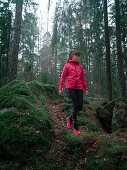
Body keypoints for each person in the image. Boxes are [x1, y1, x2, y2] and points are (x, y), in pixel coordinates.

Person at [58, 50, 88, 135]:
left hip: (79, 88)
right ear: (72, 55)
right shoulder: (67, 66)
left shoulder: (80, 67)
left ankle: (70, 119)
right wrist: (60, 88)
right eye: (76, 55)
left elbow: (82, 79)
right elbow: (63, 78)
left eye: (78, 55)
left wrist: (85, 88)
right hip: (70, 88)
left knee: (80, 107)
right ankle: (75, 127)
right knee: (75, 105)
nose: (77, 57)